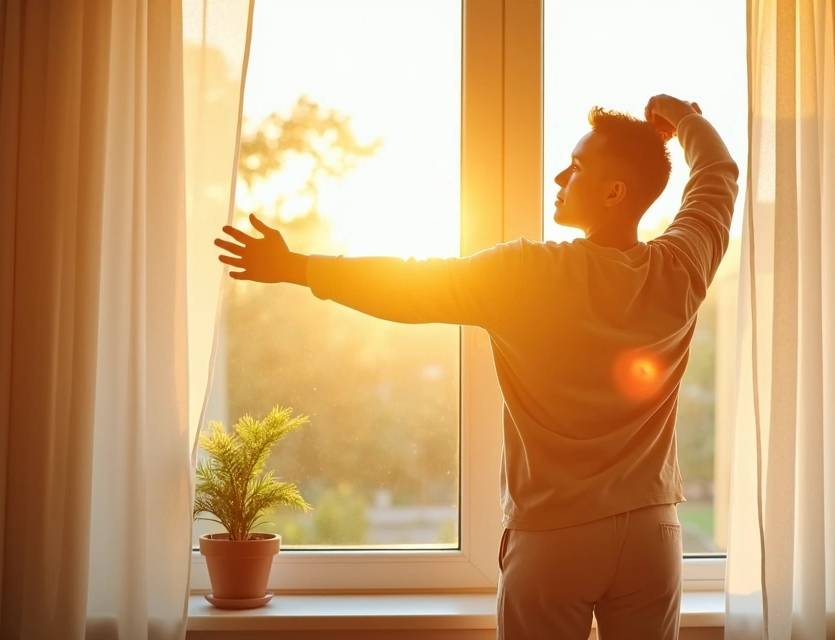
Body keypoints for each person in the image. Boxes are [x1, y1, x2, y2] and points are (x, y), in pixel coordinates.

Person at [215, 94, 739, 639]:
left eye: (578, 167)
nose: (560, 174)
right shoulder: (680, 268)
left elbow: (410, 286)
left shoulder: (528, 274)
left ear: (614, 192)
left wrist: (297, 267)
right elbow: (718, 175)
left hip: (554, 539)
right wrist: (684, 118)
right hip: (651, 535)